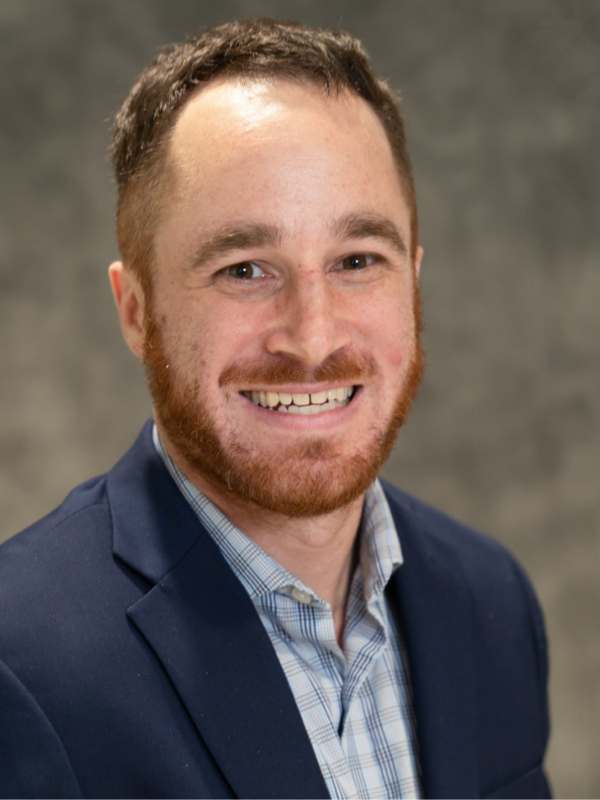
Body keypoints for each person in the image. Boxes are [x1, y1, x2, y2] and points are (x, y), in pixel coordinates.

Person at [0, 18, 550, 800]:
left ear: (413, 281)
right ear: (136, 310)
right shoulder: (19, 660)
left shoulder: (490, 601)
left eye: (358, 261)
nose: (313, 336)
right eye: (246, 268)